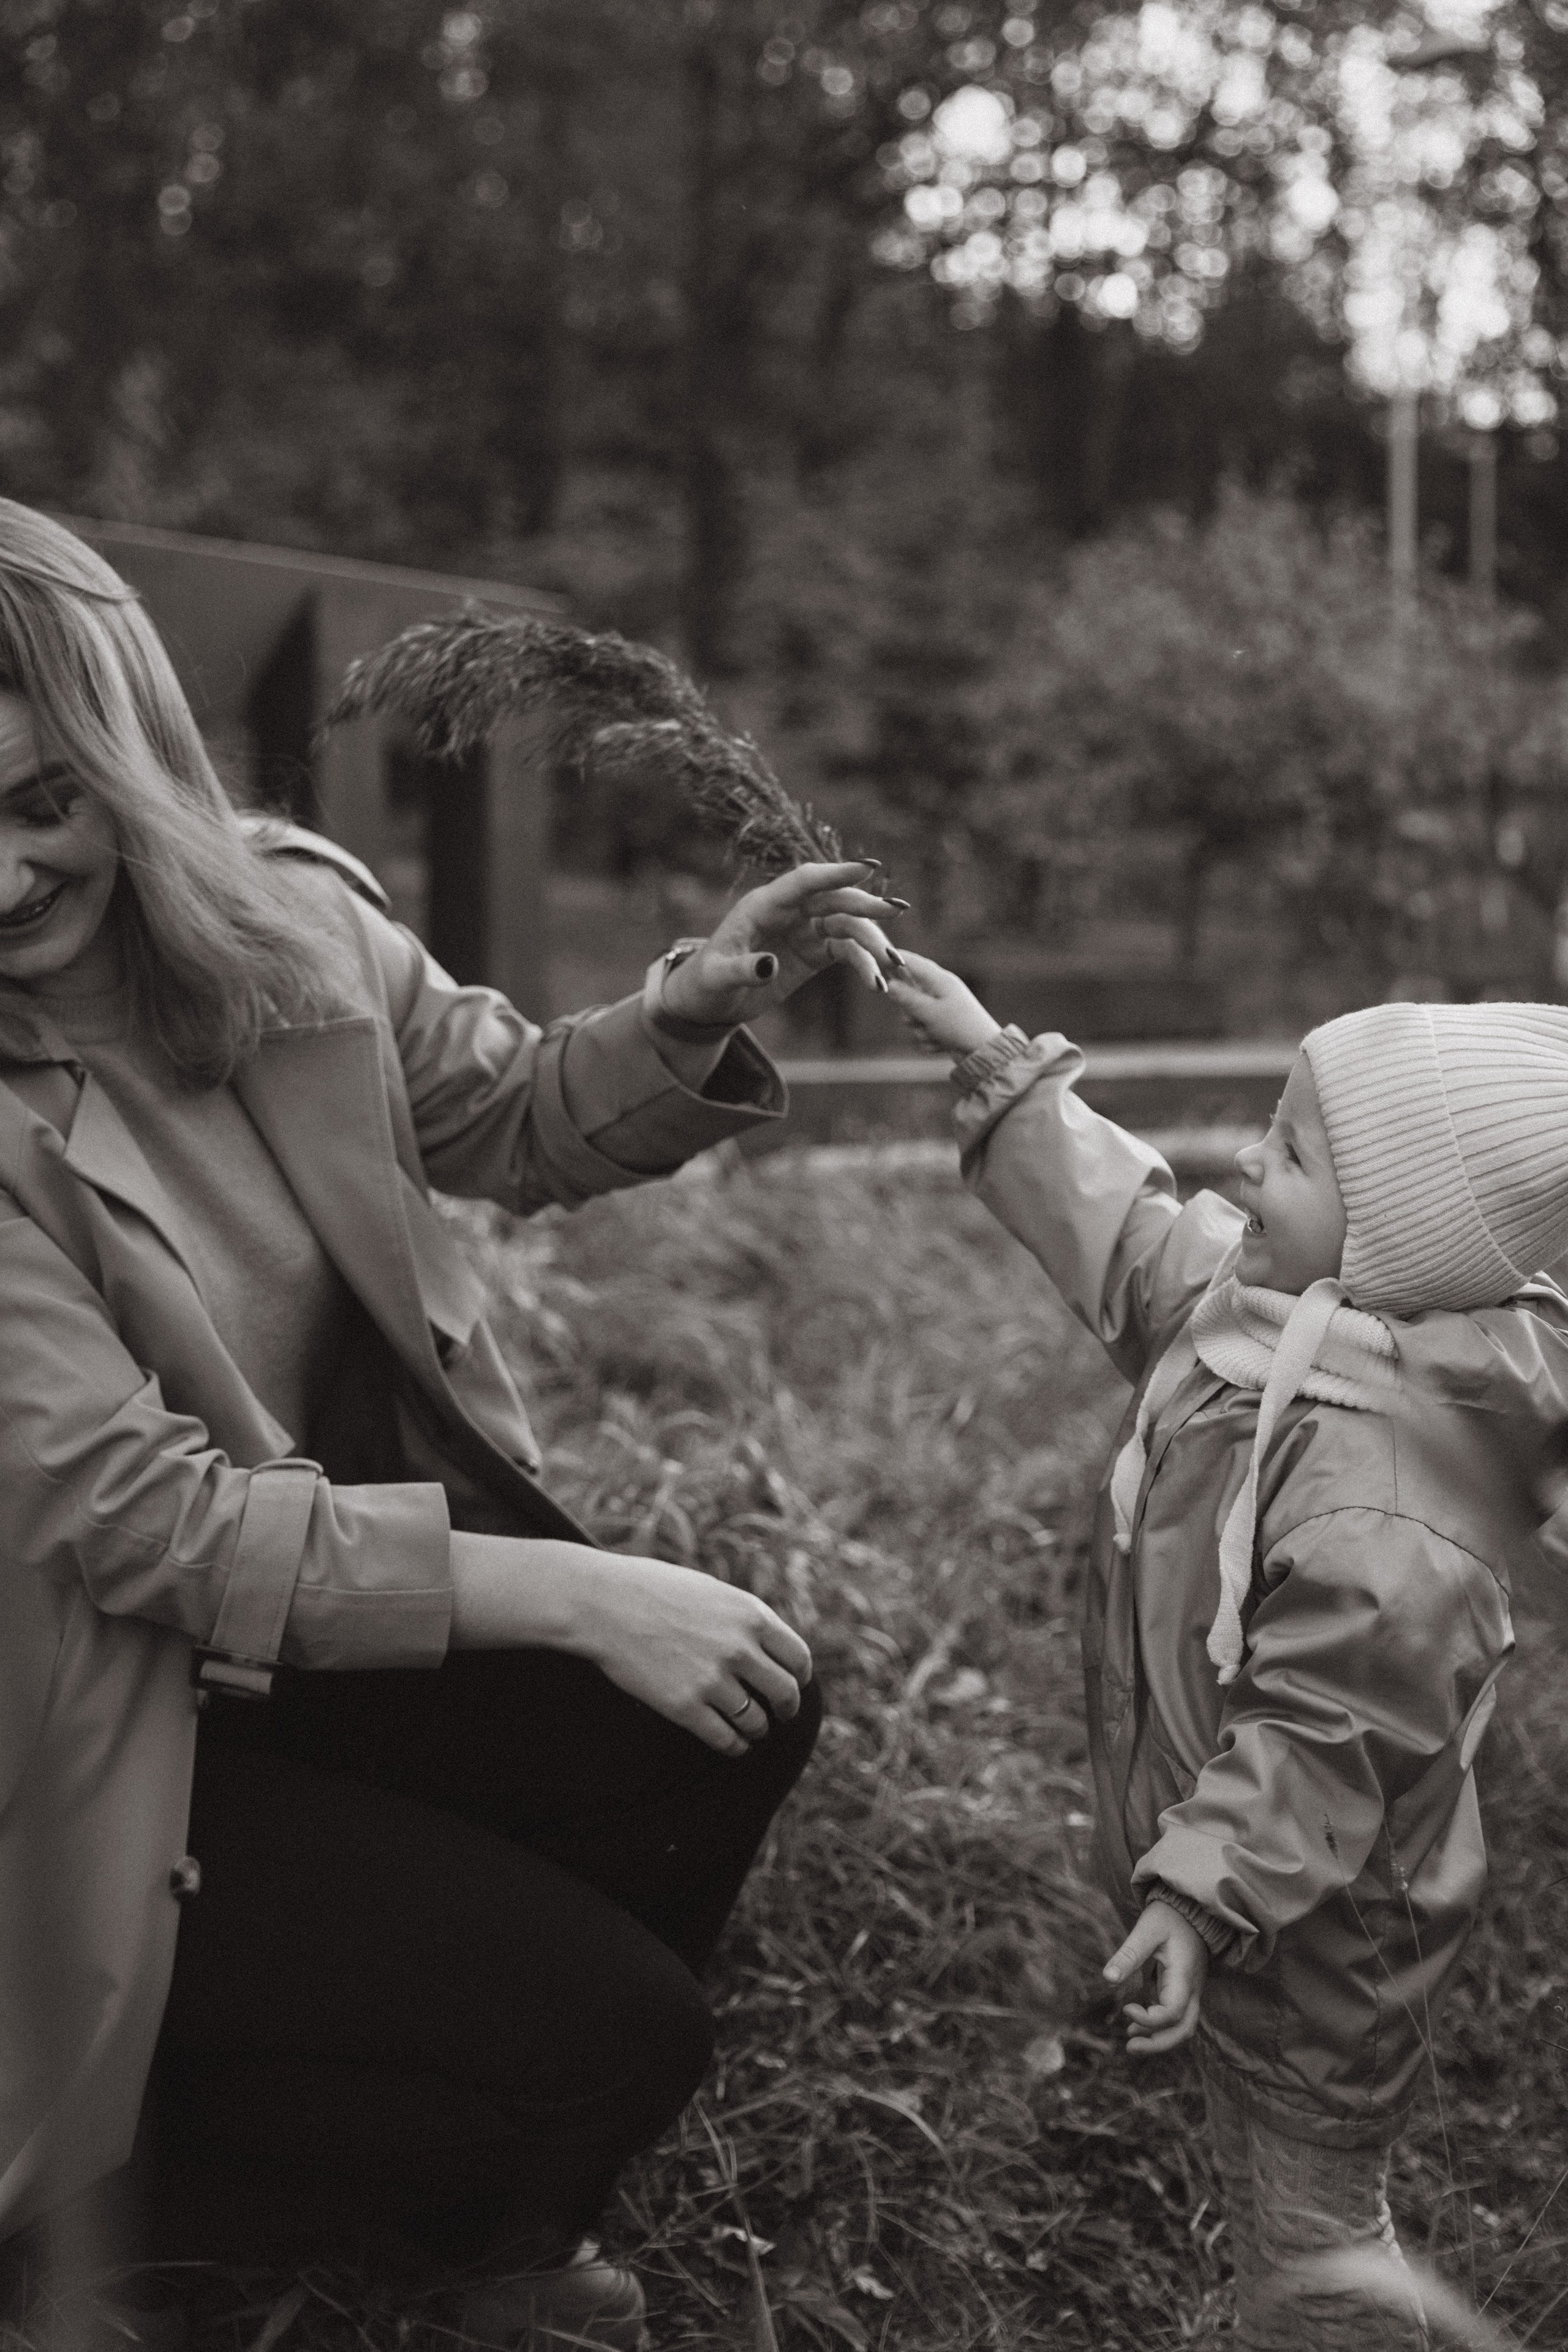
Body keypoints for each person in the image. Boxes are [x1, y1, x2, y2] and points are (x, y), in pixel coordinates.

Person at [0, 500, 902, 2352]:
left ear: (132, 761)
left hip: (339, 1605)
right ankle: (130, 2192)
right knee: (629, 2021)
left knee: (740, 1701)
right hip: (119, 1707)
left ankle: (460, 2146)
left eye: (35, 802)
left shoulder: (288, 927)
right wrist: (569, 1596)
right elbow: (149, 1528)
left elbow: (498, 1118)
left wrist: (677, 1013)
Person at [888, 949, 1568, 2350]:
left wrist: (1194, 1901)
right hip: (1242, 1892)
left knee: (1314, 2237)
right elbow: (1135, 1241)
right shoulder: (1275, 1322)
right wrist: (998, 1073)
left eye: (1295, 1152)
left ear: (1397, 1235)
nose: (1246, 1166)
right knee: (1267, 2186)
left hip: (1314, 1942)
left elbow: (1319, 1739)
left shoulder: (1386, 1502)